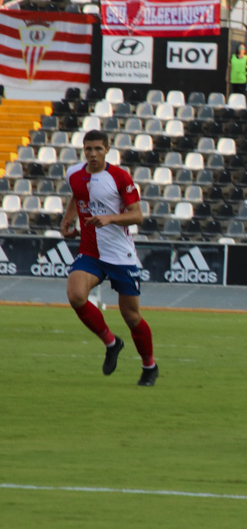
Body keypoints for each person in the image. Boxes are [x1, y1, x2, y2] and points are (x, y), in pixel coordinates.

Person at [61, 130, 159, 387]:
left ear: (107, 149)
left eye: (97, 149)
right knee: (76, 295)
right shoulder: (73, 174)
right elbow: (77, 196)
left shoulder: (119, 177)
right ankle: (111, 342)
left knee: (131, 316)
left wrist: (110, 219)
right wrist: (67, 219)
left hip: (120, 255)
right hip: (91, 252)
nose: (92, 154)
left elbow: (137, 216)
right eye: (88, 149)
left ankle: (149, 365)